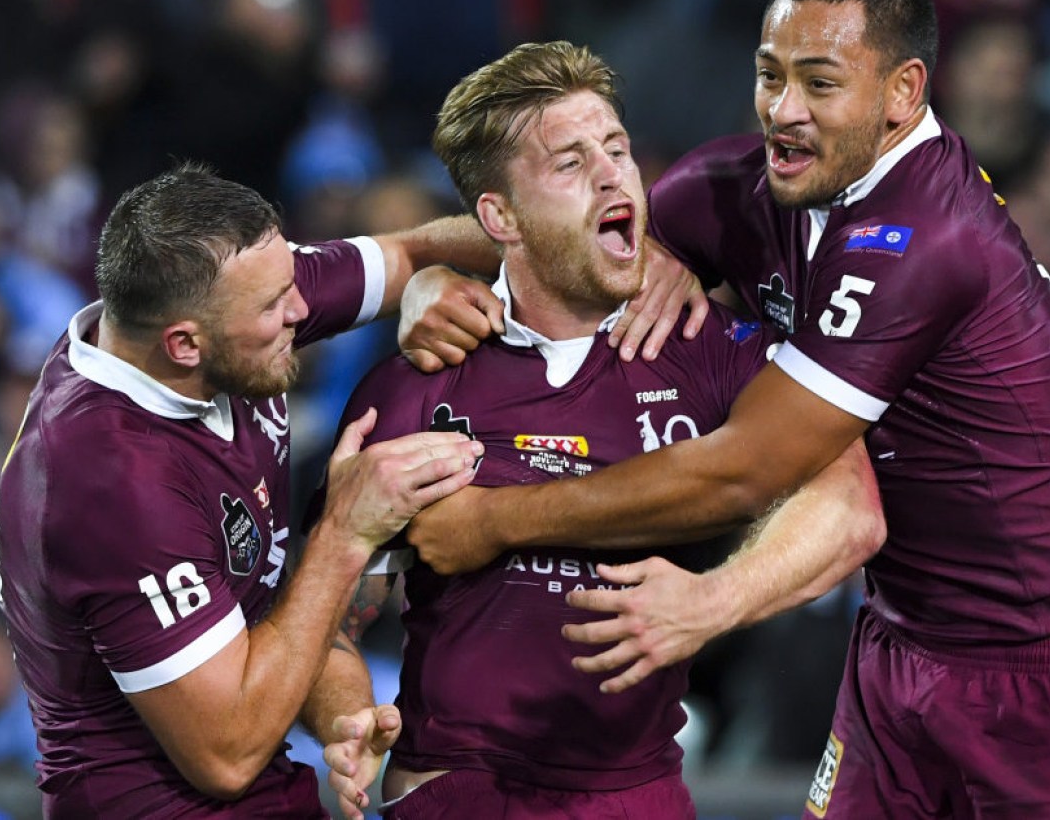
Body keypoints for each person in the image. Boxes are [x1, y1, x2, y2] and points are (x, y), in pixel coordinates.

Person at [397, 0, 1050, 818]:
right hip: (902, 653)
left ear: (901, 93)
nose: (782, 111)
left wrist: (492, 523)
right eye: (768, 76)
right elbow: (559, 233)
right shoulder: (745, 186)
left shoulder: (929, 240)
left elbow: (747, 469)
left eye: (819, 83)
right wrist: (414, 269)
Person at [316, 40, 881, 819]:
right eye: (571, 163)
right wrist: (346, 715)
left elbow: (849, 510)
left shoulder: (713, 352)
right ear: (497, 218)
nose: (614, 172)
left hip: (633, 792)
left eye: (615, 148)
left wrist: (713, 599)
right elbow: (335, 615)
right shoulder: (418, 380)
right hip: (456, 786)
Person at [0, 162, 494, 818]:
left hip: (270, 788)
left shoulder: (234, 292)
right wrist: (345, 531)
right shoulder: (109, 479)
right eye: (274, 306)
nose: (303, 310)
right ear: (183, 346)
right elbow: (225, 757)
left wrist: (427, 287)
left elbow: (412, 250)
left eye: (290, 279)